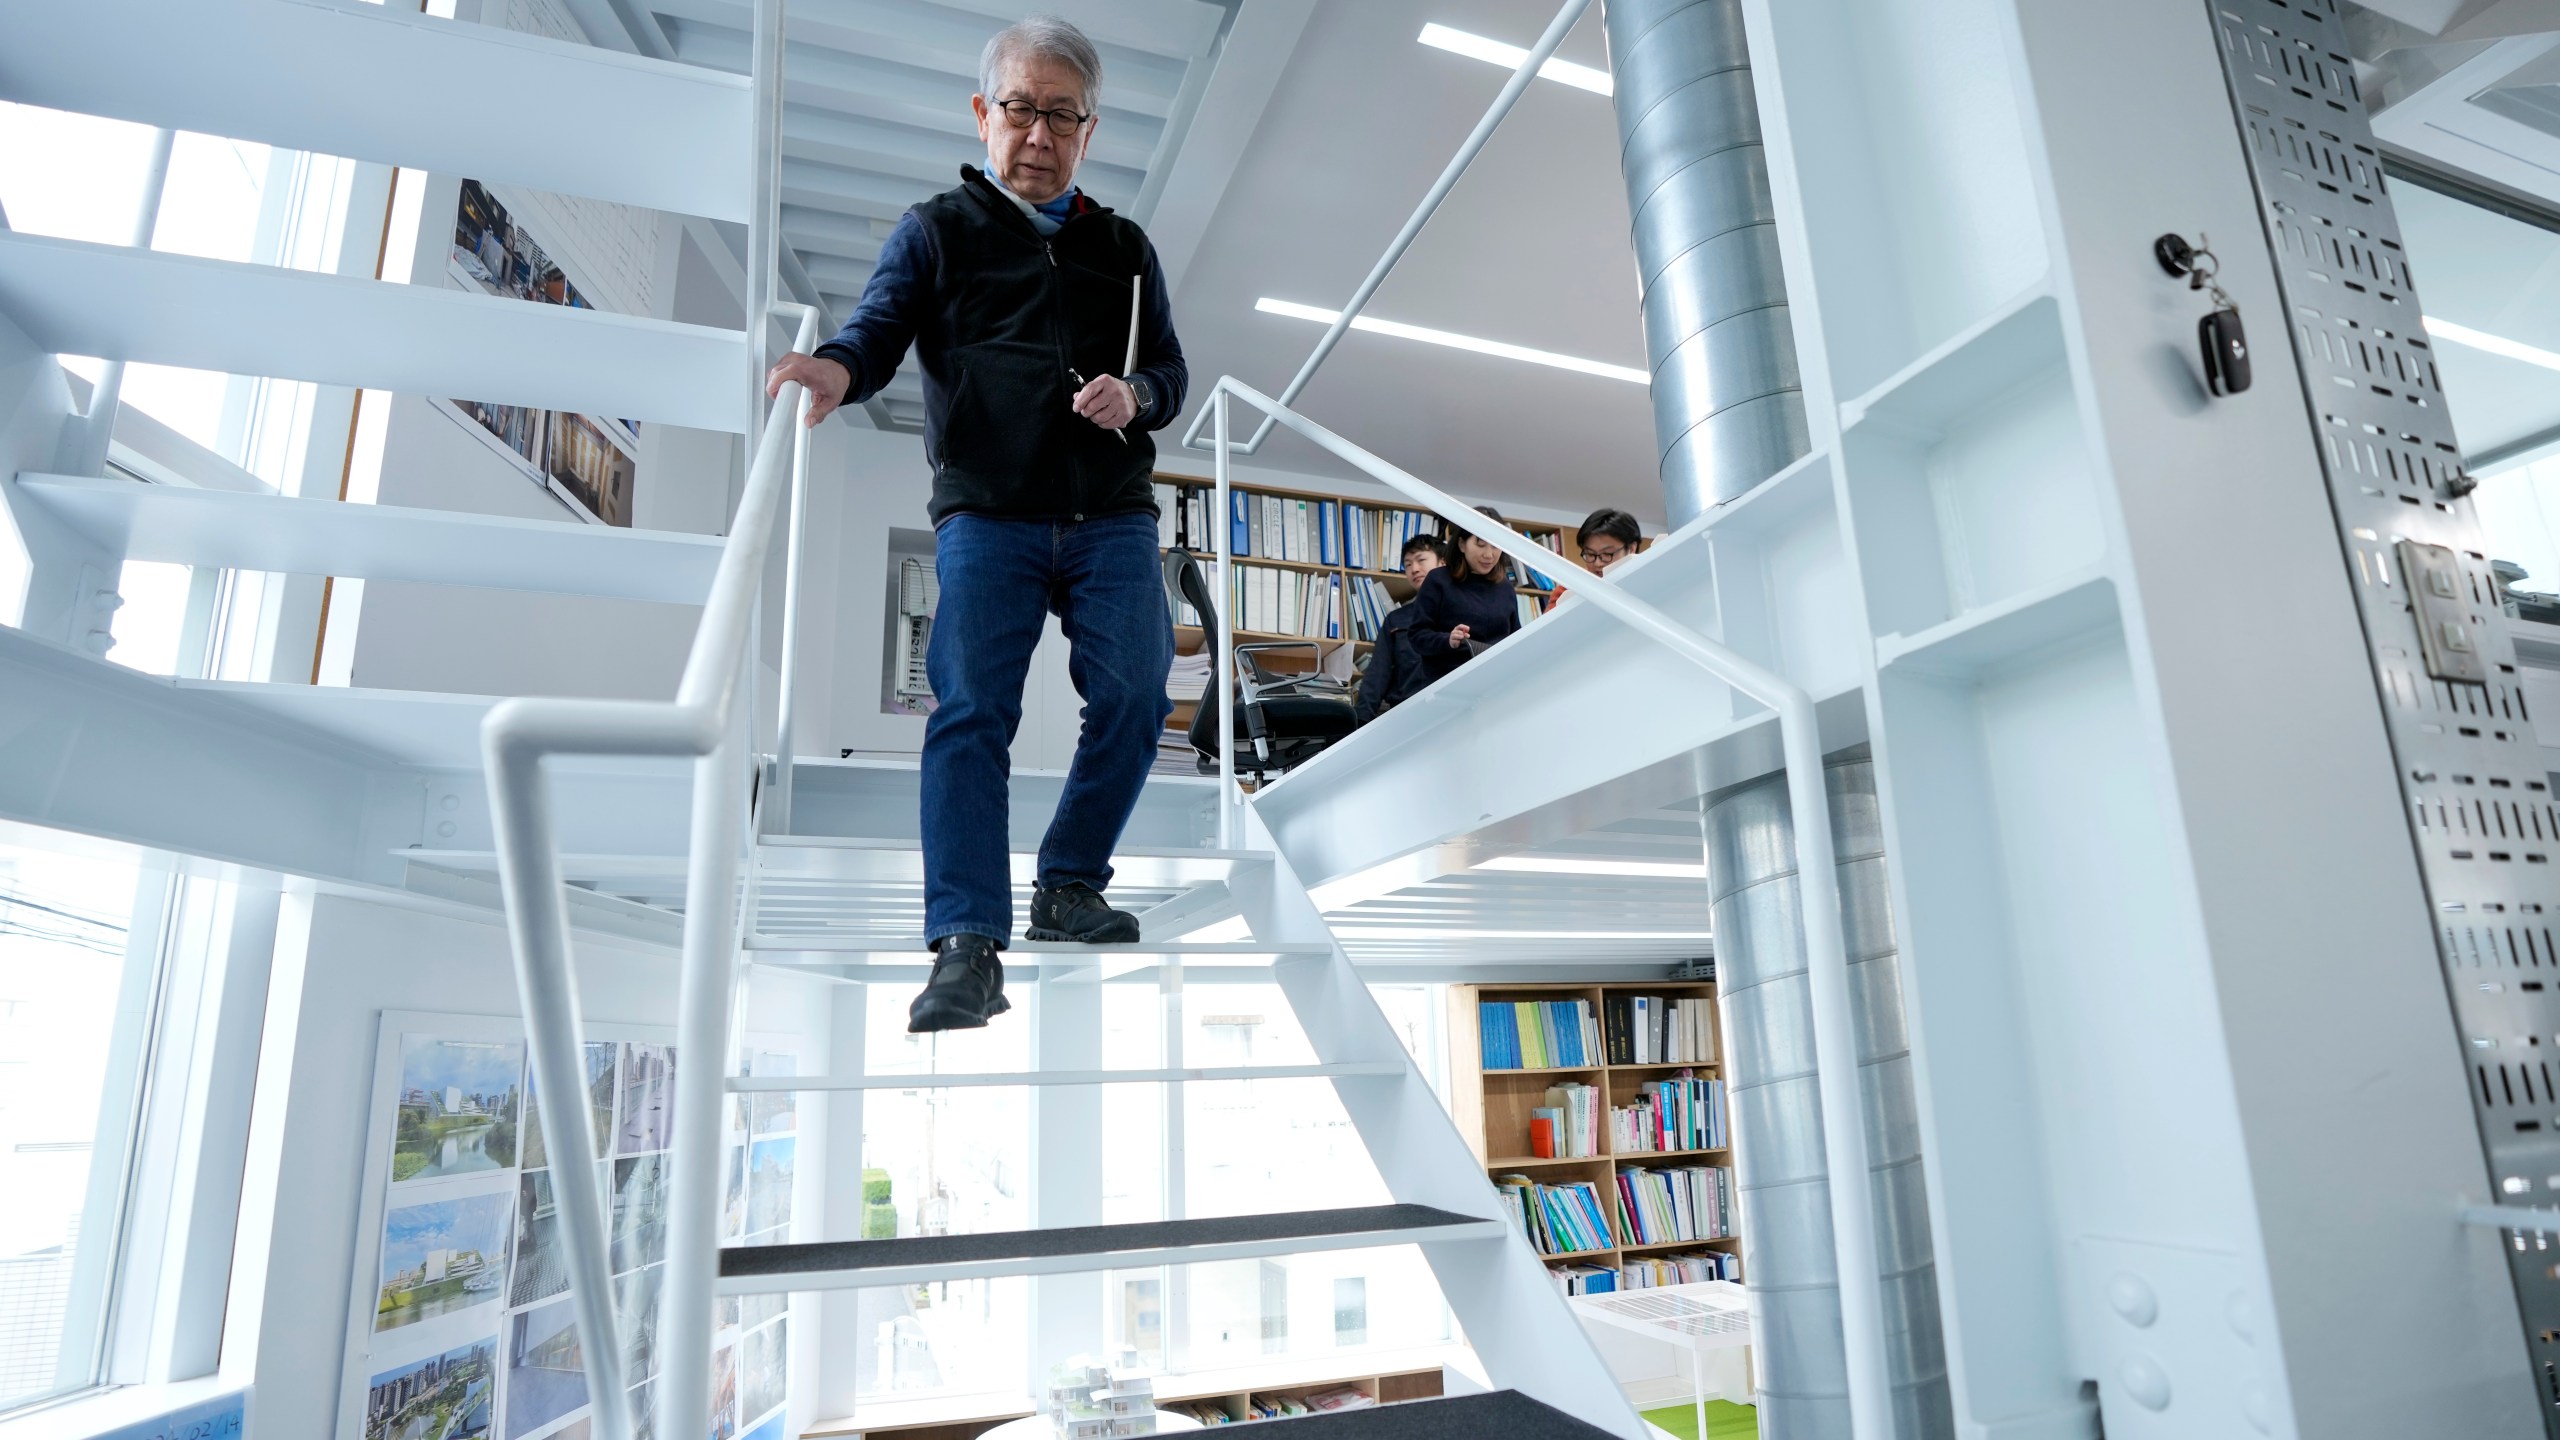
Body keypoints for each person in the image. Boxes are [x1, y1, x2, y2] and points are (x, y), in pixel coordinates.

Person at [764, 16, 1187, 1034]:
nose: (1037, 135)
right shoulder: (936, 229)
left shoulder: (1124, 247)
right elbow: (875, 330)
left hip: (1110, 516)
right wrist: (834, 366)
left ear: (1090, 129)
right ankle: (966, 944)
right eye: (1019, 109)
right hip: (987, 516)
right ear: (982, 114)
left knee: (1136, 694)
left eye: (1060, 115)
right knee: (968, 715)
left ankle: (1068, 885)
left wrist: (1135, 393)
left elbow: (1170, 372)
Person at [1407, 505, 1523, 683]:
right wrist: (1449, 640)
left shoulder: (1505, 588)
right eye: (1480, 544)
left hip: (1496, 684)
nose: (1489, 554)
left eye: (1495, 546)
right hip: (1449, 684)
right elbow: (1417, 636)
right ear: (1462, 544)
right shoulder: (1438, 580)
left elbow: (1516, 642)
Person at [1353, 534, 1454, 724]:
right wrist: (1358, 725)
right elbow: (1377, 675)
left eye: (1421, 560)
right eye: (1408, 565)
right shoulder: (1396, 620)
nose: (1414, 569)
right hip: (1406, 717)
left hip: (1453, 714)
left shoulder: (1464, 609)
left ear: (1442, 563)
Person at [1549, 506, 1642, 606]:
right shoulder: (1567, 591)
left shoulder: (1646, 582)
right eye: (1590, 554)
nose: (1597, 563)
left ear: (1631, 549)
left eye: (1607, 554)